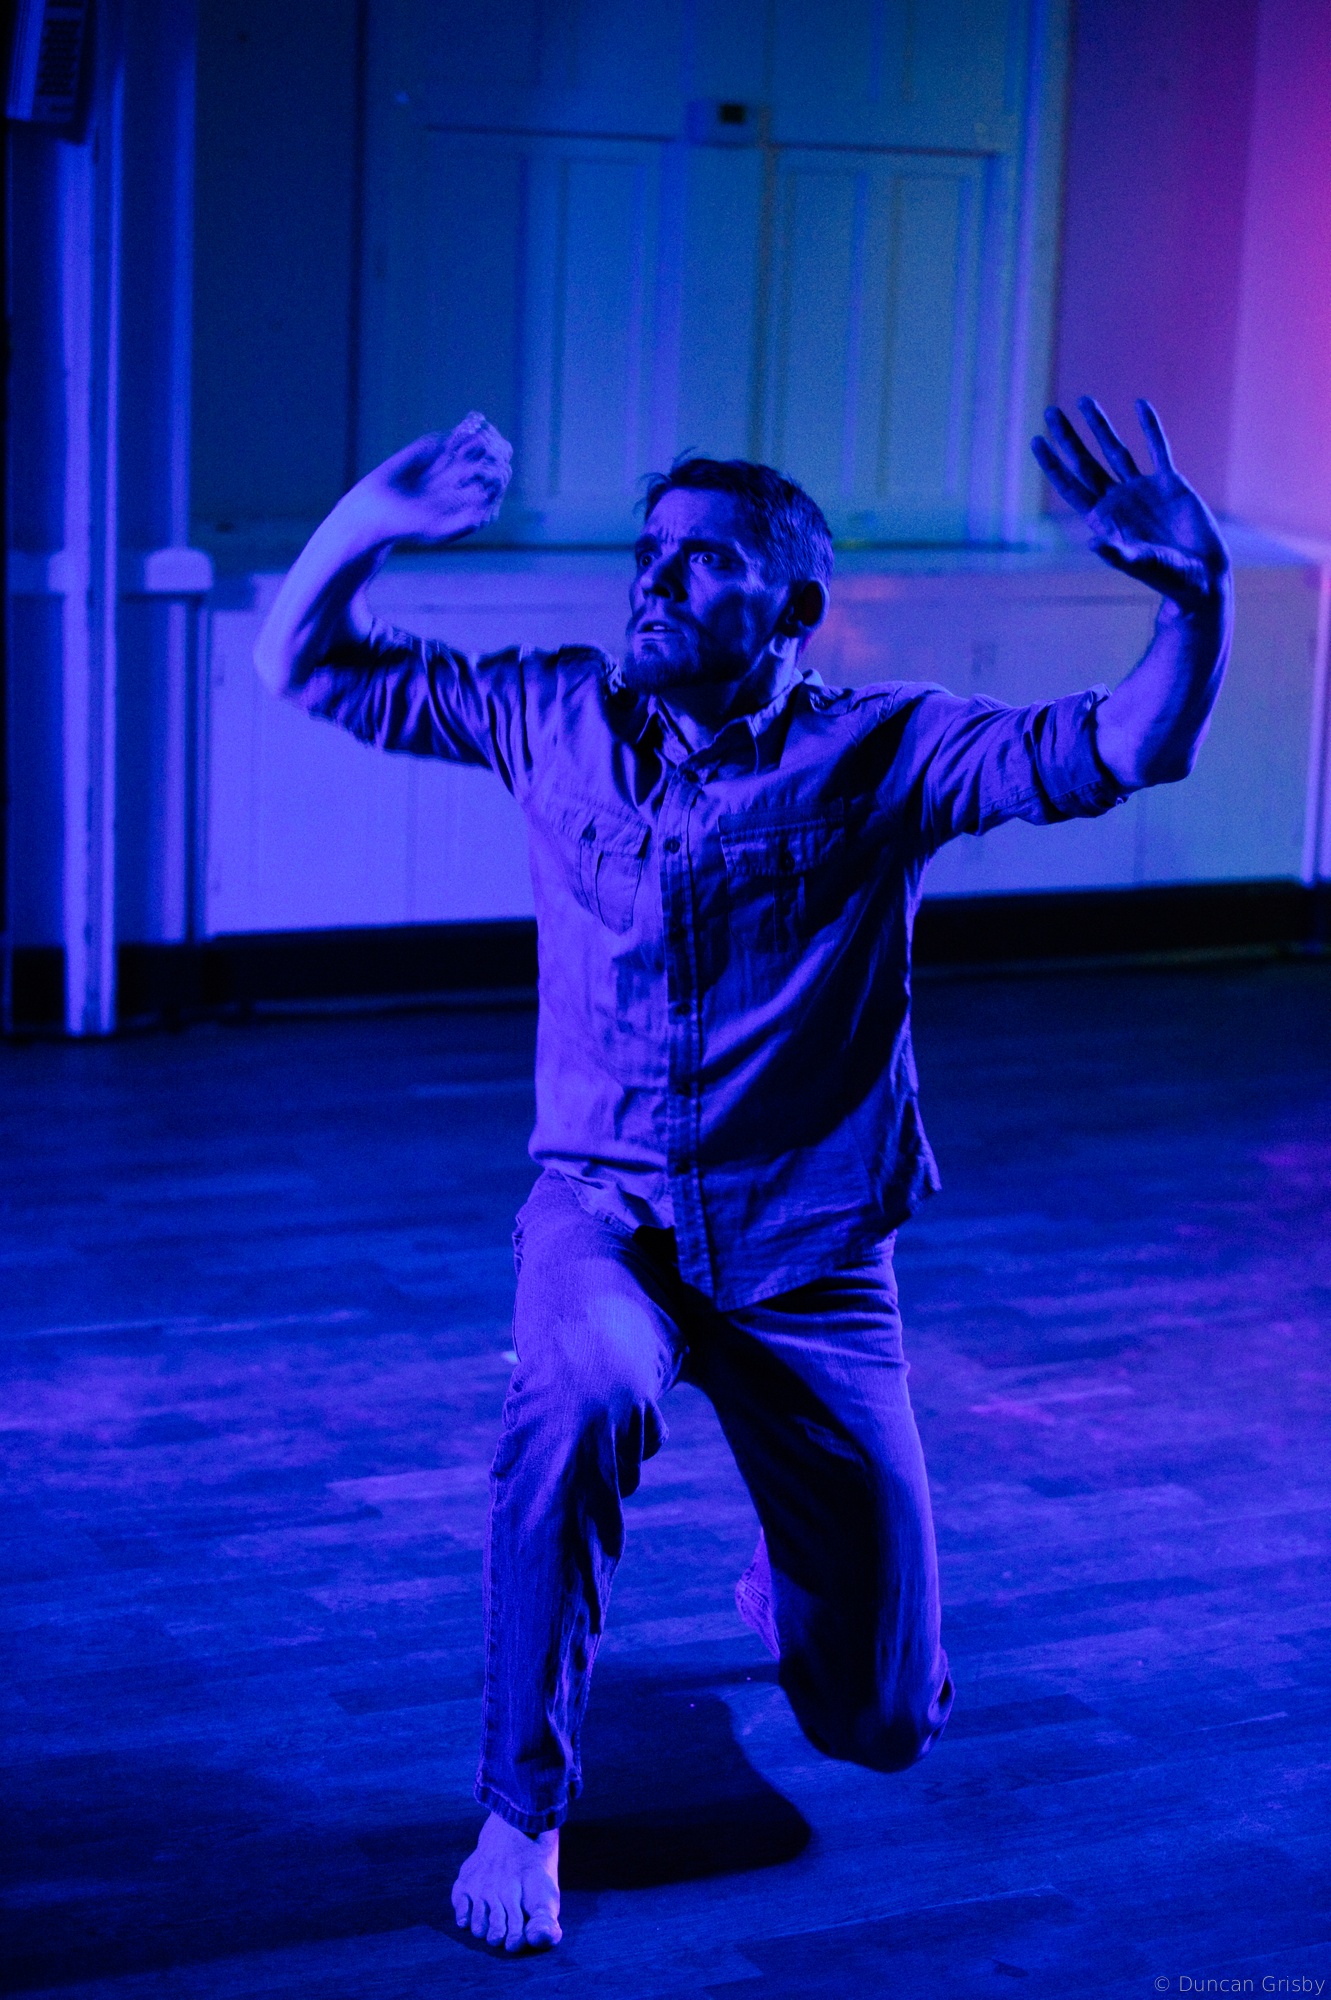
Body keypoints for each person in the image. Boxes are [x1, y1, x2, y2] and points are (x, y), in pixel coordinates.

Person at [254, 398, 1232, 1952]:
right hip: (608, 1220)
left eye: (704, 561)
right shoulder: (556, 716)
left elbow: (1125, 745)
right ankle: (522, 1807)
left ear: (793, 608)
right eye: (649, 552)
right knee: (579, 1394)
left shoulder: (886, 748)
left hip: (811, 1256)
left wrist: (1194, 598)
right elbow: (303, 665)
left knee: (882, 1723)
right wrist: (369, 522)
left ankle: (801, 1579)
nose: (655, 578)